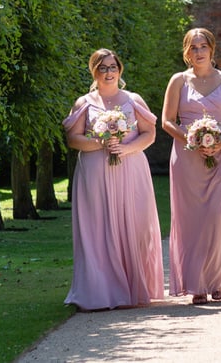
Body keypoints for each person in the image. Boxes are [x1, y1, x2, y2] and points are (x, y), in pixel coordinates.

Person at [61, 48, 163, 311]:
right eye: (103, 68)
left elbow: (149, 133)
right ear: (94, 71)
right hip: (94, 173)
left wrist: (126, 149)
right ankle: (98, 292)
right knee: (97, 227)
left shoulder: (133, 99)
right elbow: (73, 139)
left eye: (113, 67)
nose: (109, 72)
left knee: (134, 225)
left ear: (120, 69)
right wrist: (101, 143)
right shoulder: (84, 102)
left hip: (131, 170)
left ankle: (130, 288)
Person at [161, 28, 221, 305]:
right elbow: (167, 121)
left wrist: (220, 143)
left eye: (203, 46)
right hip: (187, 158)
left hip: (220, 156)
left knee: (216, 218)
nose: (198, 52)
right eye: (193, 47)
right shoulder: (178, 81)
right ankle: (196, 283)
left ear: (212, 49)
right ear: (187, 51)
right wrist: (192, 140)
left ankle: (216, 279)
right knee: (191, 219)